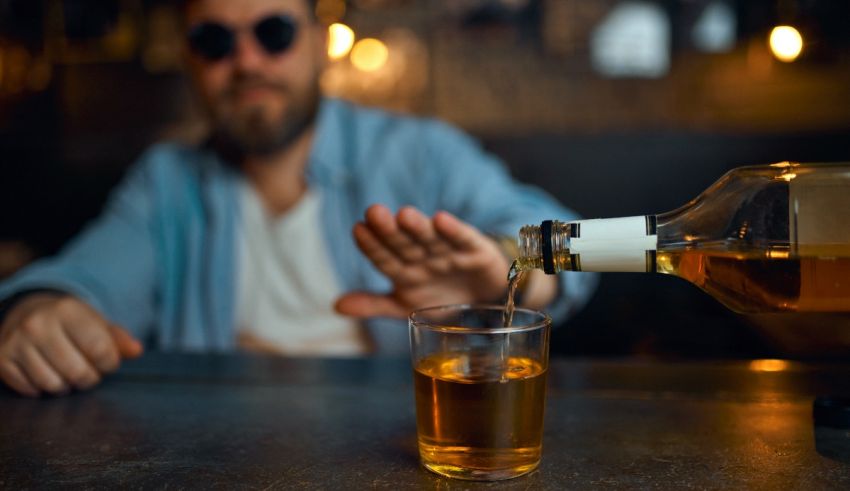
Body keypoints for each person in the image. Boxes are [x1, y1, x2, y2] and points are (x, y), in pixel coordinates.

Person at [0, 0, 596, 397]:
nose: (246, 63)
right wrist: (42, 312)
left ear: (318, 43)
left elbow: (563, 239)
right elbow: (87, 281)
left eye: (274, 33)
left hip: (403, 441)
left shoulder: (417, 150)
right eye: (214, 42)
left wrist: (502, 270)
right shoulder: (166, 180)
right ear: (190, 61)